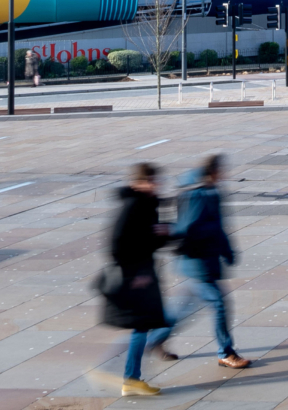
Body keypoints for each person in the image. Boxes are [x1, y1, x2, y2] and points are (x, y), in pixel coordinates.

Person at [150, 155, 251, 369]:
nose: (223, 174)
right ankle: (226, 352)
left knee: (181, 310)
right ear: (212, 171)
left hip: (204, 260)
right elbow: (188, 228)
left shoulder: (212, 191)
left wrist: (227, 249)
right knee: (219, 304)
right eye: (221, 170)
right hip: (197, 262)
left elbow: (219, 226)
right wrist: (217, 240)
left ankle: (154, 339)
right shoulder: (197, 194)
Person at [106, 163, 173, 396]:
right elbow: (116, 245)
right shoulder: (134, 205)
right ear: (137, 183)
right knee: (143, 326)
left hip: (145, 273)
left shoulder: (148, 204)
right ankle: (130, 378)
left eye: (156, 181)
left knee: (145, 325)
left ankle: (131, 377)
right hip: (137, 276)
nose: (155, 185)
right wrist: (135, 274)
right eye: (150, 181)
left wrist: (165, 232)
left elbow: (148, 241)